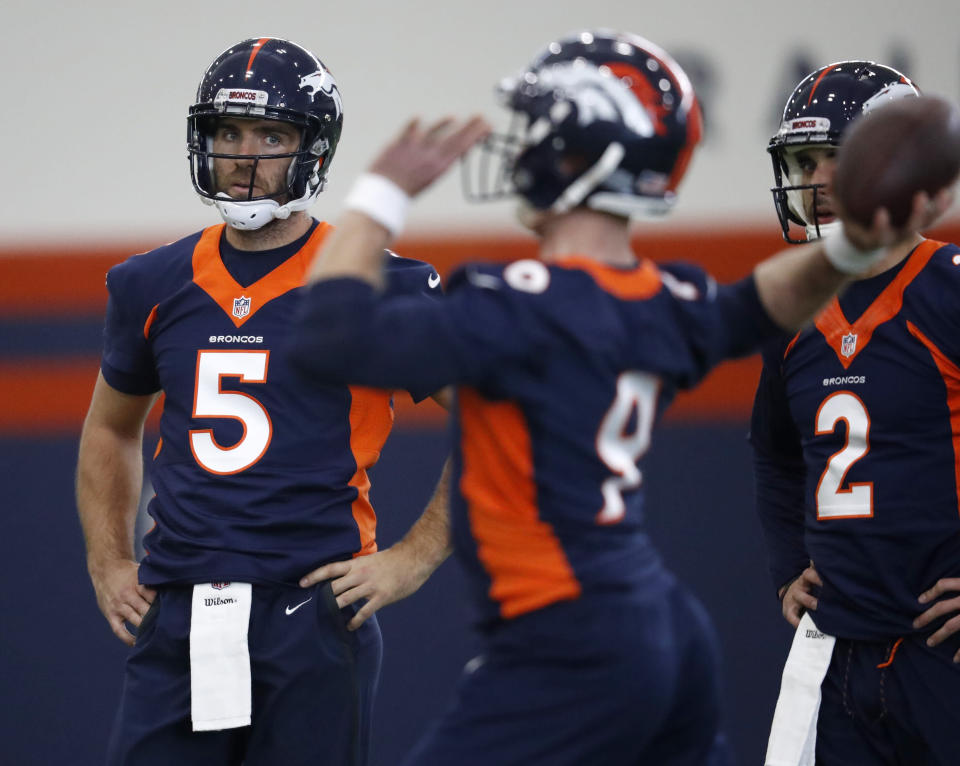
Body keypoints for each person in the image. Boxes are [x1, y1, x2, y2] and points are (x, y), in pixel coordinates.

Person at [287, 33, 948, 766]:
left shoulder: (514, 307)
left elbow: (324, 333)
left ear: (580, 156)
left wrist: (381, 194)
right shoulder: (667, 298)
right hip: (664, 624)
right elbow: (763, 302)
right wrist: (851, 249)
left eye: (538, 131)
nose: (520, 151)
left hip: (567, 636)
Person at [75, 37, 451, 766]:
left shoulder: (376, 283)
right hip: (178, 610)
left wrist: (415, 556)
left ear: (312, 148)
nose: (244, 156)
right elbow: (109, 429)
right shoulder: (152, 282)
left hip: (309, 608)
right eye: (227, 133)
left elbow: (499, 419)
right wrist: (108, 561)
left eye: (271, 135)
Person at [751, 61, 960, 765]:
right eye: (804, 161)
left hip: (945, 649)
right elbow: (775, 454)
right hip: (838, 648)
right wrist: (788, 566)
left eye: (836, 159)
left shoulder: (949, 290)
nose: (815, 182)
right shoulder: (794, 311)